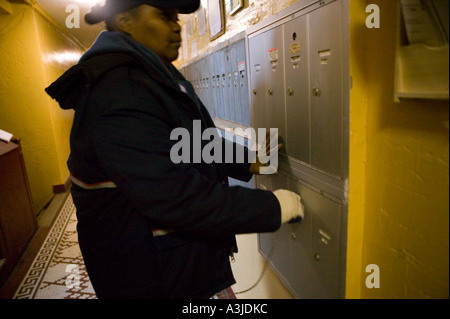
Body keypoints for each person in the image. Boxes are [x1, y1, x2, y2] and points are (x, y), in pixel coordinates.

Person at [46, 0, 304, 299]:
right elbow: (174, 196)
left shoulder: (148, 76)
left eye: (176, 17)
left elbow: (182, 142)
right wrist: (273, 207)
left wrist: (249, 161)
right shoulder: (118, 92)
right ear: (124, 20)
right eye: (162, 15)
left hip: (169, 260)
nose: (176, 25)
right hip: (144, 274)